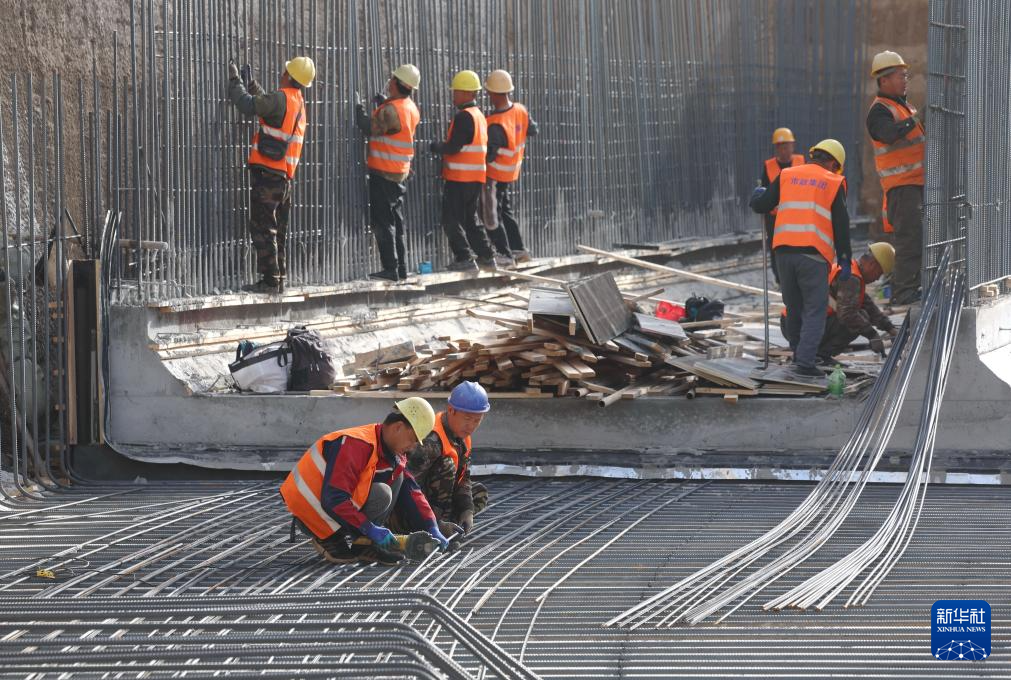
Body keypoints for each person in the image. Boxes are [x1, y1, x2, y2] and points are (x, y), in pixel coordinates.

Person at [279, 397, 451, 566]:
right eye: (413, 440)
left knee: (398, 478)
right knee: (382, 493)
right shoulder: (357, 445)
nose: (413, 447)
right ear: (398, 427)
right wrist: (369, 528)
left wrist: (430, 525)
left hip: (327, 504)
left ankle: (365, 544)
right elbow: (334, 498)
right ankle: (329, 538)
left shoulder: (387, 449)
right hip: (310, 511)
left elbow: (411, 489)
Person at [750, 139, 852, 380]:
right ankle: (805, 363)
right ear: (833, 163)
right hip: (812, 257)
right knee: (814, 311)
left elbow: (762, 205)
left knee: (794, 308)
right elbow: (841, 226)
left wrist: (757, 197)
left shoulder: (787, 175)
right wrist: (845, 258)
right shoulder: (833, 182)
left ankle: (798, 354)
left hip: (784, 254)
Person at [228, 56, 316, 294]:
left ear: (289, 75)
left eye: (285, 70)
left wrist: (235, 81)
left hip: (268, 175)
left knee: (262, 227)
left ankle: (269, 281)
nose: (282, 72)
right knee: (278, 230)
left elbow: (248, 105)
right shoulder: (297, 102)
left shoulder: (281, 98)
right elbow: (270, 109)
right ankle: (278, 277)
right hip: (284, 179)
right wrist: (254, 85)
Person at [430, 71, 511, 272]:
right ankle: (486, 256)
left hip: (460, 178)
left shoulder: (464, 117)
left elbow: (455, 146)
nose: (454, 96)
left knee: (451, 219)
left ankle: (464, 257)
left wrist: (435, 147)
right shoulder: (479, 117)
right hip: (475, 177)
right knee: (469, 219)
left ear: (467, 93)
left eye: (456, 92)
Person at [866, 50, 925, 306]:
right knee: (909, 240)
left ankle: (912, 288)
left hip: (916, 184)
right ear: (884, 80)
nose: (905, 80)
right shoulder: (879, 112)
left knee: (918, 238)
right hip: (902, 187)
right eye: (901, 75)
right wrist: (917, 119)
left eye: (905, 75)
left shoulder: (905, 107)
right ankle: (904, 293)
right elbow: (889, 135)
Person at [355, 65, 421, 283]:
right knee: (396, 223)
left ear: (397, 83)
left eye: (392, 79)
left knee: (383, 223)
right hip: (399, 173)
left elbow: (368, 127)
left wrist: (358, 109)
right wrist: (384, 103)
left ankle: (390, 268)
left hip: (383, 172)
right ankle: (401, 268)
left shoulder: (392, 111)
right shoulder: (409, 107)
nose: (389, 81)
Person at [780, 242, 897, 362]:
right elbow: (847, 315)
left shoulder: (850, 269)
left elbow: (868, 305)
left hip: (794, 322)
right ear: (872, 265)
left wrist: (889, 327)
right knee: (857, 318)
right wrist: (872, 335)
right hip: (799, 327)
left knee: (862, 314)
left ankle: (815, 353)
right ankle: (819, 355)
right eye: (879, 273)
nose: (877, 278)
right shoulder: (851, 278)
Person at [403, 381, 490, 535]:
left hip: (441, 499)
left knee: (478, 493)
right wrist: (434, 523)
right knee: (447, 465)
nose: (471, 426)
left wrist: (466, 509)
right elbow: (407, 486)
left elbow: (463, 477)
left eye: (477, 420)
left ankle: (454, 522)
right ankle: (432, 529)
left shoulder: (462, 437)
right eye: (467, 419)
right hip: (411, 507)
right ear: (451, 410)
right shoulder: (431, 441)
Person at [483, 69, 539, 264]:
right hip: (511, 171)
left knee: (491, 215)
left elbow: (488, 156)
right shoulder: (521, 110)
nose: (488, 96)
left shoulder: (495, 123)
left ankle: (504, 254)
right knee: (505, 211)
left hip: (495, 174)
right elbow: (533, 129)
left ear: (494, 93)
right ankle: (518, 249)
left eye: (489, 92)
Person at [760, 127, 805, 284]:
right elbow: (764, 192)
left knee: (799, 247)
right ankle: (781, 280)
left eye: (787, 145)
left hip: (798, 217)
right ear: (776, 148)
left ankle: (797, 278)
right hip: (776, 219)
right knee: (777, 249)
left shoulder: (802, 162)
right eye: (780, 146)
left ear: (793, 146)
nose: (784, 149)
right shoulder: (768, 166)